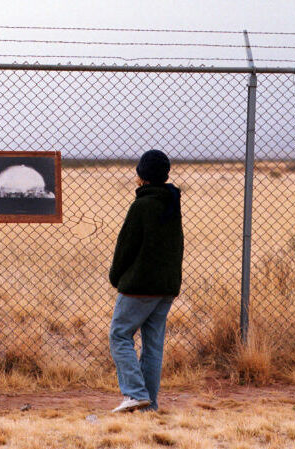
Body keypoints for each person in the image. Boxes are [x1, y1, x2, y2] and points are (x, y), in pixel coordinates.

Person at [108, 149, 184, 413]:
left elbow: (125, 248)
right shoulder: (171, 203)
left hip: (140, 286)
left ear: (142, 175)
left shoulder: (142, 205)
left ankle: (135, 393)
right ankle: (148, 405)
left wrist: (116, 277)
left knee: (119, 334)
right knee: (153, 344)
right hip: (166, 287)